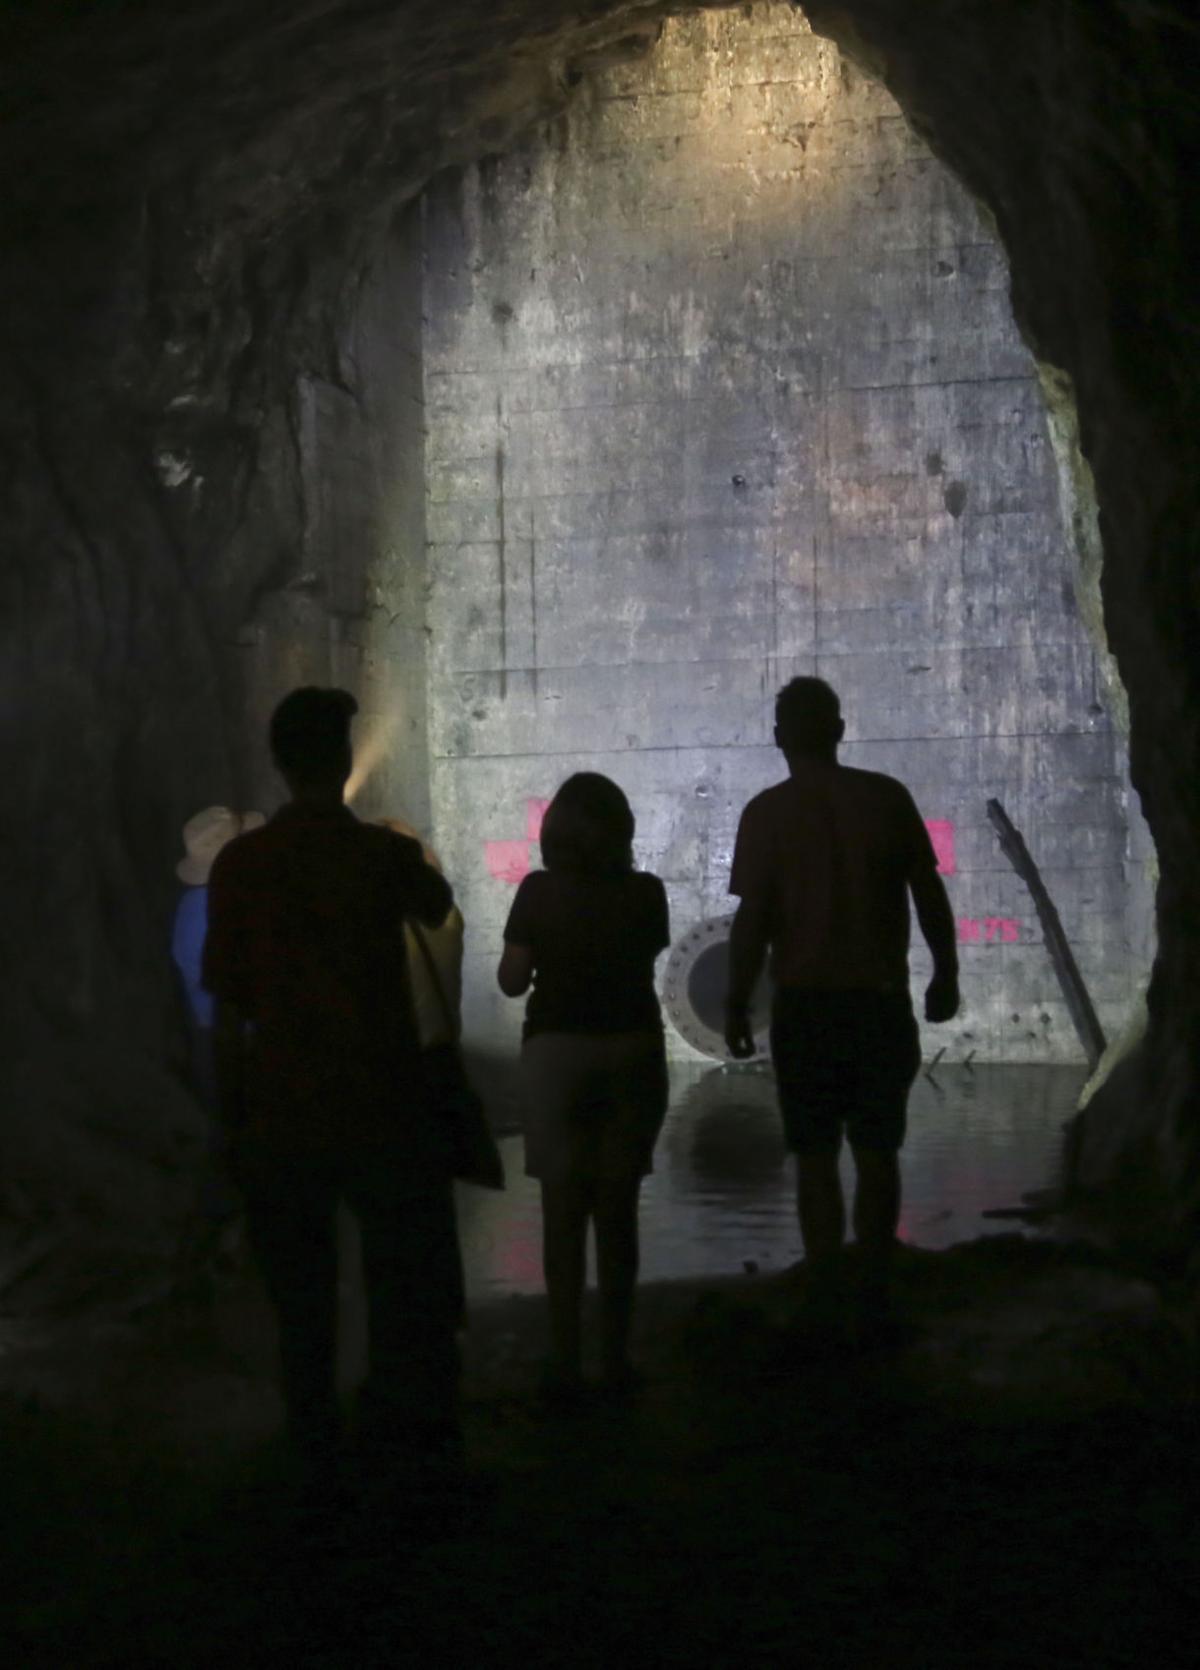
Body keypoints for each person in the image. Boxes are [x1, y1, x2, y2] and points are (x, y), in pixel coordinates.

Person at [202, 687, 461, 1504]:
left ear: (280, 765)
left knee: (301, 1283)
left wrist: (228, 1112)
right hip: (382, 1096)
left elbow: (230, 999)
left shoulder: (241, 866)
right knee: (395, 1270)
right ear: (345, 761)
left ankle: (311, 1427)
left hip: (285, 1100)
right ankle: (395, 1420)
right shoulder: (380, 858)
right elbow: (437, 905)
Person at [724, 677, 960, 1344]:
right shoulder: (885, 799)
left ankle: (827, 1291)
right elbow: (927, 892)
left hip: (806, 1007)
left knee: (817, 1155)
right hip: (879, 1002)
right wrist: (946, 972)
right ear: (840, 728)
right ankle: (876, 1286)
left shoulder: (767, 815)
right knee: (879, 1152)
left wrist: (738, 1002)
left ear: (779, 738)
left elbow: (754, 922)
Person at [497, 773, 670, 1401]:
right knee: (617, 1213)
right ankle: (616, 1359)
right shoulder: (647, 894)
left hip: (555, 1054)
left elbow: (513, 982)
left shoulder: (537, 892)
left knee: (562, 1213)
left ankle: (566, 1360)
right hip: (631, 1049)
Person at [172, 806, 265, 1233]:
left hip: (227, 1034)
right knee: (232, 1130)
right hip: (224, 1037)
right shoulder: (203, 909)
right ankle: (228, 1222)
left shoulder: (210, 904)